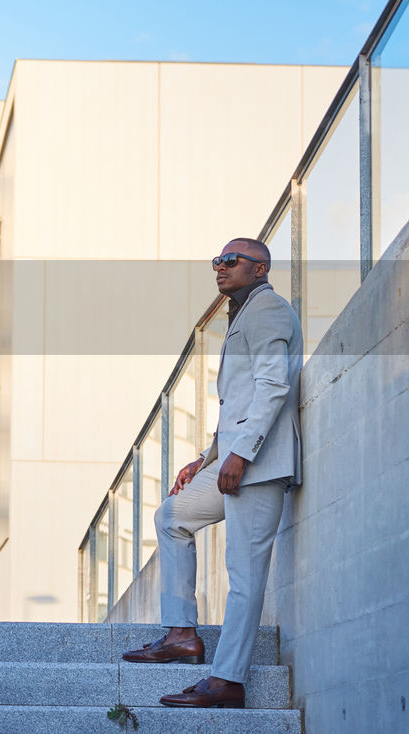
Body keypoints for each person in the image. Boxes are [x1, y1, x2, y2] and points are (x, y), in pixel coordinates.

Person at [121, 238, 303, 709]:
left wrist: (241, 455)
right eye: (215, 262)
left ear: (260, 269)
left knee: (244, 574)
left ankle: (228, 682)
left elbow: (272, 387)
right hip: (232, 460)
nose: (219, 268)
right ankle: (181, 633)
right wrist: (207, 457)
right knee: (171, 516)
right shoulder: (241, 314)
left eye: (230, 261)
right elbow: (238, 404)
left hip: (260, 467)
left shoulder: (269, 311)